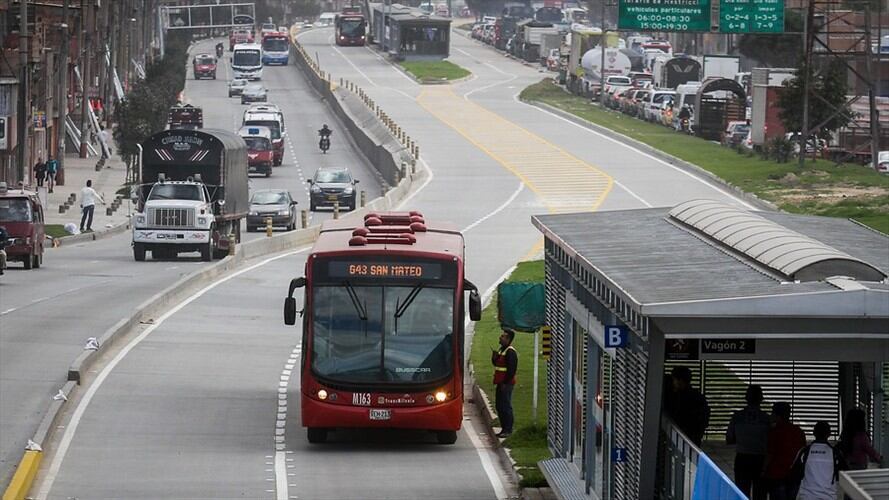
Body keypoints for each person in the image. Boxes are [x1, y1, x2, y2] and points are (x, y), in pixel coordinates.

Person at [725, 384, 770, 500]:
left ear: (746, 398)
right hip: (760, 460)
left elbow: (729, 438)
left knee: (741, 493)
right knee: (760, 493)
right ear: (761, 399)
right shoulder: (766, 419)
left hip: (742, 459)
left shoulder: (737, 417)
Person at [762, 402, 807, 500]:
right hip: (794, 475)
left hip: (776, 475)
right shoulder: (798, 431)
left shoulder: (774, 432)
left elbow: (770, 454)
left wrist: (763, 470)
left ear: (777, 415)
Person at [795, 421, 844, 500]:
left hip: (807, 496)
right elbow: (842, 475)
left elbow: (796, 474)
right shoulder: (835, 453)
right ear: (829, 434)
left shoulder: (805, 452)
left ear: (814, 433)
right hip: (829, 497)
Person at [663, 366, 710, 446]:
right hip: (693, 440)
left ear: (680, 381)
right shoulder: (698, 397)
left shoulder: (675, 398)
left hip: (678, 437)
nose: (673, 383)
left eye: (674, 380)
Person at [491, 328, 518, 438]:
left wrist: (505, 383)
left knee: (505, 406)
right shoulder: (502, 349)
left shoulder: (510, 352)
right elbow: (498, 365)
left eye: (503, 336)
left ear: (508, 339)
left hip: (506, 384)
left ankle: (508, 429)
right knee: (499, 406)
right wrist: (494, 358)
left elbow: (511, 370)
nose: (500, 338)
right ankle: (503, 428)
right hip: (500, 383)